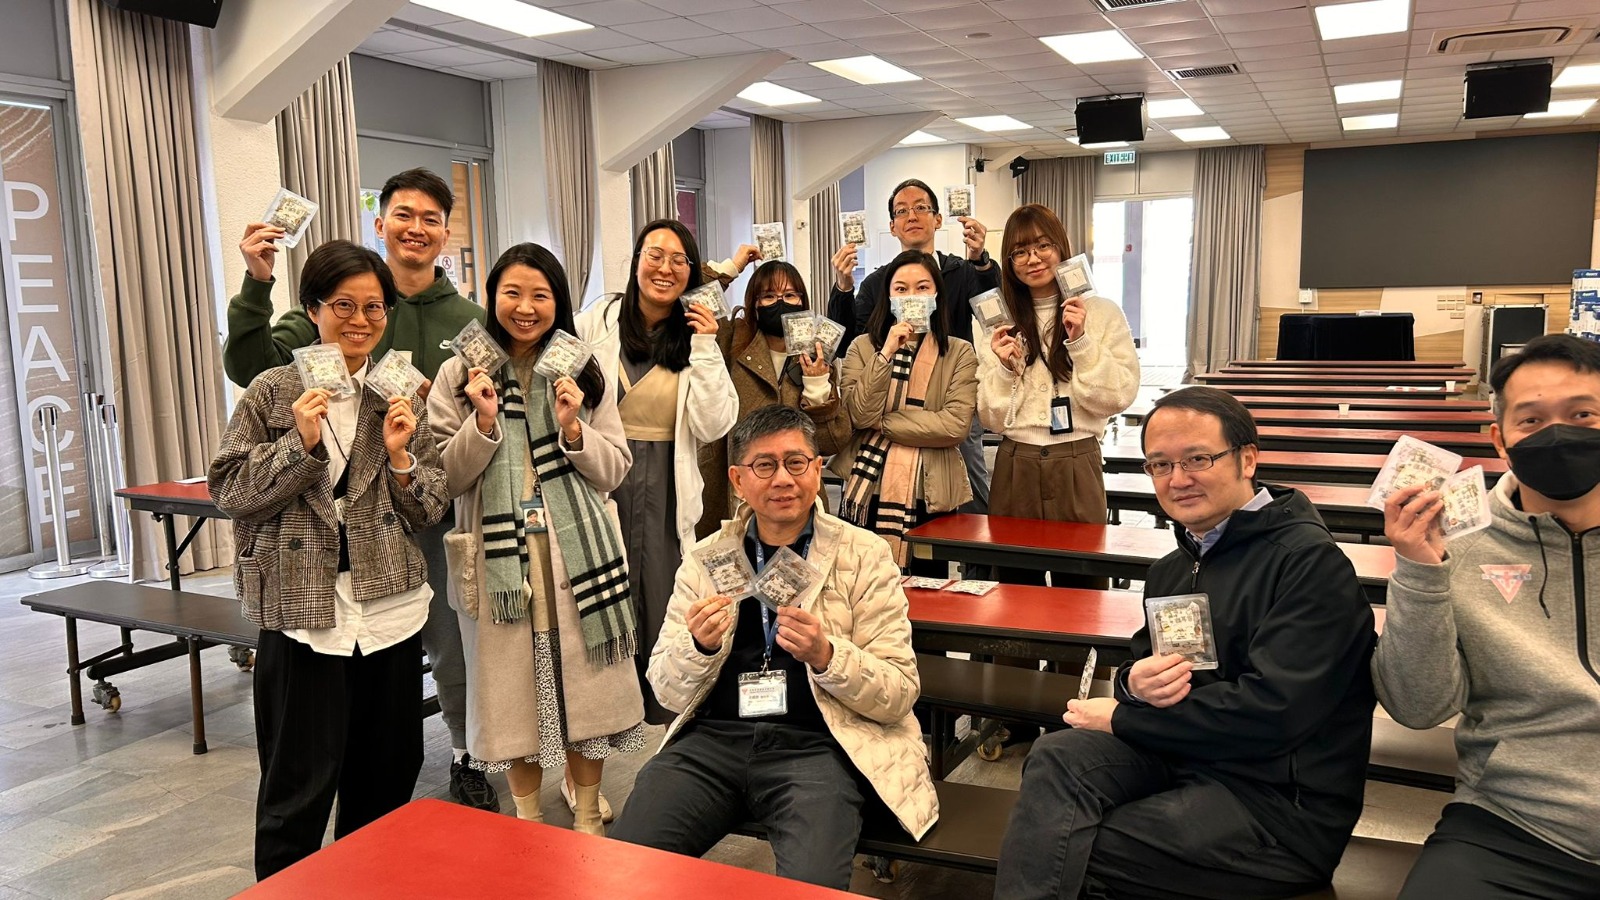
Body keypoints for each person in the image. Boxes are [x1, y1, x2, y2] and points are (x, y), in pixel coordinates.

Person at [995, 387, 1375, 900]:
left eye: (1198, 459)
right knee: (1058, 756)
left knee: (1069, 847)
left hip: (1276, 803)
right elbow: (1143, 663)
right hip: (1182, 758)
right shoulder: (1174, 568)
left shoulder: (1308, 564)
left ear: (1247, 459)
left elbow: (1274, 714)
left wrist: (1124, 718)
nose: (1178, 479)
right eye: (1160, 465)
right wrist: (1133, 685)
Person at [221, 168, 494, 810]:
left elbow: (478, 415)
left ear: (446, 233)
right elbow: (252, 372)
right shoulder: (319, 327)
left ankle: (467, 757)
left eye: (431, 219)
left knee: (447, 661)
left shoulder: (467, 321)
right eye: (404, 215)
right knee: (306, 764)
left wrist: (432, 433)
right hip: (316, 573)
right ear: (381, 222)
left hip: (417, 534)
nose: (416, 229)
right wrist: (256, 283)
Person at [610, 404, 937, 889]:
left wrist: (827, 656)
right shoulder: (706, 559)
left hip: (820, 746)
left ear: (817, 470)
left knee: (811, 886)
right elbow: (664, 689)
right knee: (624, 869)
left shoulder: (865, 555)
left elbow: (900, 692)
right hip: (712, 744)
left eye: (796, 462)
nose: (783, 479)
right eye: (765, 465)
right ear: (738, 480)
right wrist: (698, 647)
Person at [207, 240, 450, 879]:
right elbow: (229, 491)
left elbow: (430, 507)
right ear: (313, 309)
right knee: (297, 788)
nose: (360, 321)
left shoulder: (397, 391)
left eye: (374, 307)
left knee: (386, 780)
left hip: (390, 612)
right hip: (302, 615)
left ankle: (368, 887)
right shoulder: (272, 390)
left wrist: (400, 458)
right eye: (343, 305)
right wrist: (299, 442)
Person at [427, 243, 644, 834]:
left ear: (559, 302)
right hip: (501, 562)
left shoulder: (583, 368)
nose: (525, 308)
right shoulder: (459, 372)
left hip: (577, 555)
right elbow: (444, 477)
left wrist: (574, 428)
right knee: (512, 695)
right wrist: (483, 422)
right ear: (492, 297)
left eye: (540, 295)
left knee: (585, 691)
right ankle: (525, 820)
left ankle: (588, 815)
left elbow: (615, 469)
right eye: (513, 293)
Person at [1374, 334, 1600, 898]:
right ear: (1500, 439)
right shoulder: (1457, 540)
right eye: (1532, 420)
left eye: (1583, 415)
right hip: (1513, 824)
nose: (1558, 435)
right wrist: (1418, 568)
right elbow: (1417, 707)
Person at [576, 219, 737, 726]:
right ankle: (603, 712)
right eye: (655, 255)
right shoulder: (597, 320)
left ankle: (661, 704)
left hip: (666, 484)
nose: (665, 268)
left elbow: (715, 424)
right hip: (602, 474)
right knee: (601, 596)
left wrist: (707, 347)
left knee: (662, 593)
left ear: (691, 272)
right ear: (636, 261)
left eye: (679, 260)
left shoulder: (696, 333)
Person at [977, 204, 1140, 586]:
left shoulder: (1100, 312)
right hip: (1015, 462)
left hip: (1077, 460)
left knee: (1083, 584)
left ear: (1061, 248)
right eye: (1019, 252)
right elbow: (991, 418)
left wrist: (1080, 341)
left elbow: (1117, 397)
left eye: (1042, 246)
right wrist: (1004, 369)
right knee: (1016, 586)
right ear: (1009, 262)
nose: (1033, 259)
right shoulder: (997, 322)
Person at [827, 178, 998, 514]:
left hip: (946, 399)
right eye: (902, 211)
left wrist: (981, 260)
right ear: (892, 226)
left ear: (938, 218)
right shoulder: (878, 282)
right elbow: (848, 340)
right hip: (889, 397)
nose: (912, 216)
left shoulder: (961, 270)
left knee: (971, 494)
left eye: (921, 207)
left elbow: (993, 308)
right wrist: (843, 288)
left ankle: (973, 550)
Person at [831, 249, 977, 572]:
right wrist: (885, 354)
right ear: (889, 297)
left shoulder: (959, 352)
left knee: (928, 584)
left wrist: (883, 424)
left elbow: (954, 425)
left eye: (922, 288)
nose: (912, 296)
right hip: (867, 487)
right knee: (861, 579)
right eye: (901, 289)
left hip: (930, 489)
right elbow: (857, 415)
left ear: (937, 295)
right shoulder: (862, 347)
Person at [695, 260, 852, 539]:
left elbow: (831, 443)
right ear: (754, 303)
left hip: (796, 491)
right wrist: (733, 266)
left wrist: (816, 386)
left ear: (802, 301)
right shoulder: (732, 337)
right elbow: (695, 302)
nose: (780, 303)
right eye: (768, 296)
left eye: (790, 295)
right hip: (733, 486)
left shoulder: (818, 354)